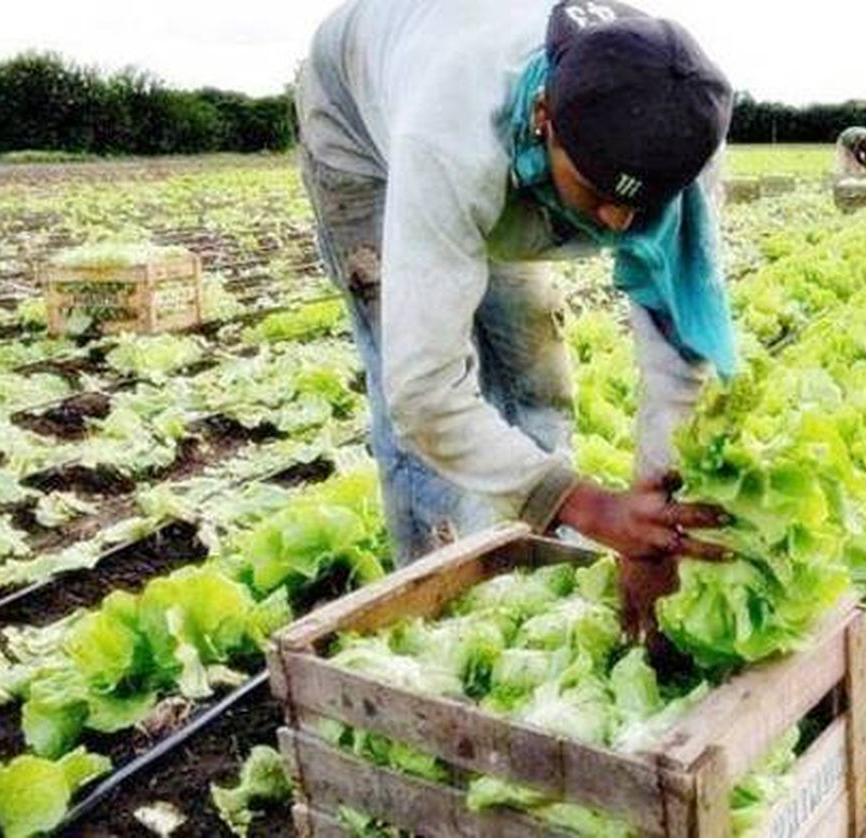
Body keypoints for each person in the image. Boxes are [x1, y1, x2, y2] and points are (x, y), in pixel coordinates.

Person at [294, 0, 736, 625]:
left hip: (515, 151)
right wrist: (586, 502)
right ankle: (443, 604)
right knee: (422, 417)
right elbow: (423, 392)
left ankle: (537, 549)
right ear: (543, 118)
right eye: (600, 193)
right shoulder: (449, 136)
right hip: (360, 130)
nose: (616, 222)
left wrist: (649, 524)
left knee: (537, 374)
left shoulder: (679, 133)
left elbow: (678, 345)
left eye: (642, 207)